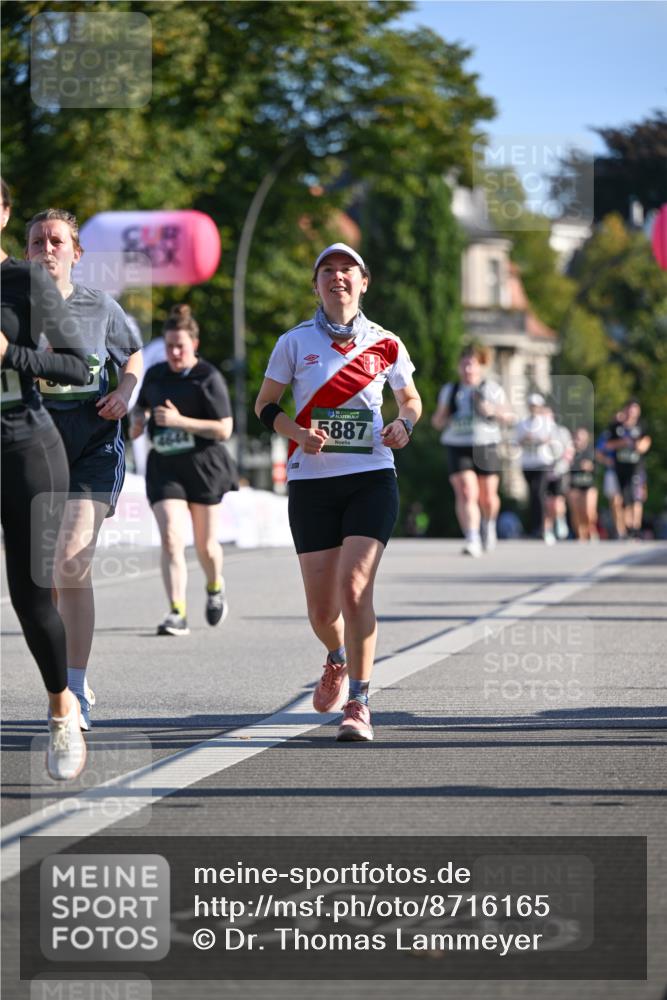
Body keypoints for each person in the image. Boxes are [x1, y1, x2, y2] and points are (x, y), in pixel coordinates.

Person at [254, 242, 421, 743]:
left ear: (364, 281)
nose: (338, 278)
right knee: (323, 612)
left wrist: (404, 425)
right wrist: (295, 433)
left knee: (354, 587)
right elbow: (264, 404)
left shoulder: (387, 343)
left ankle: (360, 700)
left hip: (372, 476)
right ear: (317, 285)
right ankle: (337, 656)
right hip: (312, 481)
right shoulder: (293, 342)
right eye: (327, 271)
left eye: (347, 270)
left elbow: (409, 399)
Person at [26, 208, 143, 730]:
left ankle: (75, 687)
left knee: (72, 562)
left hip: (94, 443)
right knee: (45, 576)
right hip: (34, 446)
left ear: (76, 253)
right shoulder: (13, 310)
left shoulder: (100, 306)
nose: (46, 249)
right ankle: (60, 685)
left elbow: (133, 353)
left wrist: (123, 391)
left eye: (56, 241)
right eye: (36, 242)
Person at [1, 179, 89, 780]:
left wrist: (9, 354)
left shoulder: (24, 281)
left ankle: (61, 706)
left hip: (23, 446)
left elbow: (76, 364)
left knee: (31, 599)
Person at [130, 304, 237, 635]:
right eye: (170, 345)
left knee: (206, 545)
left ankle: (215, 586)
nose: (175, 352)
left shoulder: (208, 377)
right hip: (165, 466)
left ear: (195, 345)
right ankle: (176, 610)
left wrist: (180, 422)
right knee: (172, 537)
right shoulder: (156, 374)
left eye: (181, 346)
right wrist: (137, 422)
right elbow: (141, 410)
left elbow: (225, 429)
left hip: (203, 467)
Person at [432, 346, 513, 556]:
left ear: (480, 367)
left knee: (488, 497)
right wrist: (443, 417)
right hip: (457, 444)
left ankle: (489, 523)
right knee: (467, 492)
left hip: (486, 444)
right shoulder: (450, 390)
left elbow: (509, 415)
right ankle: (472, 537)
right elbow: (437, 421)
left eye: (472, 364)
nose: (468, 369)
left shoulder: (491, 389)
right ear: (459, 367)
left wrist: (492, 410)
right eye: (464, 364)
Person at [606, 400, 651, 539]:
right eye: (630, 409)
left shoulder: (641, 425)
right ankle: (626, 528)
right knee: (625, 499)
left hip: (636, 468)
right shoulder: (616, 427)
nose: (632, 412)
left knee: (637, 497)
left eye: (635, 409)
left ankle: (635, 527)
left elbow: (646, 441)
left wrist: (640, 446)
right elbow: (607, 445)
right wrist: (623, 443)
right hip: (620, 468)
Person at [515, 393, 556, 541]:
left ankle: (542, 528)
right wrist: (525, 439)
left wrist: (538, 439)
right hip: (527, 463)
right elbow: (515, 442)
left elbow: (551, 439)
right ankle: (534, 527)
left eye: (536, 406)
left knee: (539, 492)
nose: (533, 408)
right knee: (532, 495)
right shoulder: (522, 424)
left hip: (542, 462)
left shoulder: (547, 423)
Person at [544, 410, 574, 544]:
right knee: (546, 503)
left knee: (557, 501)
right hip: (544, 471)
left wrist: (563, 463)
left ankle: (560, 521)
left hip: (560, 470)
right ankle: (547, 530)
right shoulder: (539, 432)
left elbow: (569, 450)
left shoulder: (562, 432)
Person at [567, 427, 599, 541]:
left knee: (589, 511)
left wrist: (591, 467)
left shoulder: (591, 452)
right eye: (577, 438)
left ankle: (591, 529)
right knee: (576, 511)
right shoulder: (569, 452)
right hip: (574, 485)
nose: (578, 440)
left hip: (588, 485)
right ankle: (580, 535)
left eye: (581, 438)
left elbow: (599, 468)